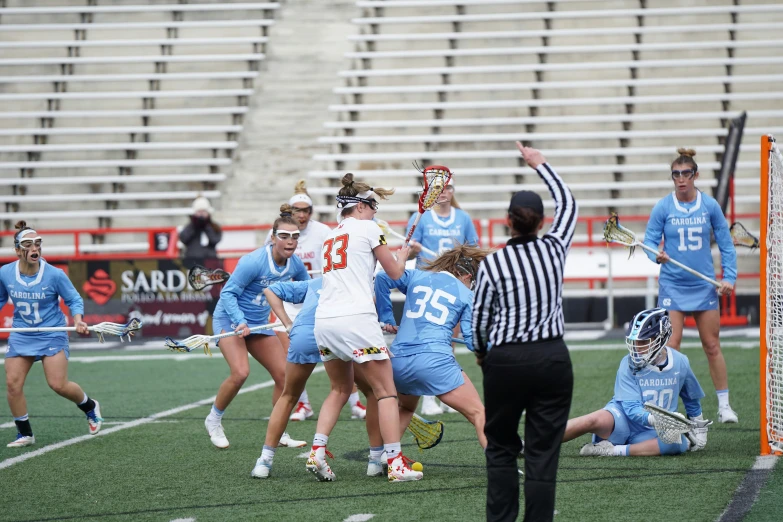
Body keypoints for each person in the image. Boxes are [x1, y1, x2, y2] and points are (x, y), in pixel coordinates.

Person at [473, 143, 577, 522]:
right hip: (551, 357)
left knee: (500, 446)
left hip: (505, 360)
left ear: (509, 221)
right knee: (542, 453)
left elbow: (481, 318)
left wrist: (483, 354)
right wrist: (540, 164)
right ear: (541, 222)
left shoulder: (495, 262)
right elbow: (569, 203)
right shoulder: (554, 248)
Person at [307, 173, 422, 482]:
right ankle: (395, 463)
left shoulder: (331, 235)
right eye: (373, 206)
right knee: (386, 392)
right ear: (358, 206)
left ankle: (317, 451)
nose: (375, 213)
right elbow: (396, 274)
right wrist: (405, 253)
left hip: (325, 320)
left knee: (340, 389)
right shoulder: (368, 228)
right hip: (356, 318)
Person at [643, 148, 738, 423]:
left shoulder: (709, 206)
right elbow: (649, 241)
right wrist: (655, 254)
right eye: (676, 174)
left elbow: (726, 243)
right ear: (672, 178)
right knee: (671, 348)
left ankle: (724, 405)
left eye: (686, 174)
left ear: (696, 175)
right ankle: (672, 408)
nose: (681, 179)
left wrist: (729, 276)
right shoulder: (663, 206)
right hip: (673, 285)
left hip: (703, 286)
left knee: (711, 344)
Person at [204, 205, 309, 450]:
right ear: (273, 238)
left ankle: (279, 430)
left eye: (295, 237)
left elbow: (307, 290)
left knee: (285, 378)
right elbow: (228, 294)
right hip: (231, 319)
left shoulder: (295, 265)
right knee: (241, 372)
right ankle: (214, 419)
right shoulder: (253, 261)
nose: (290, 241)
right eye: (284, 236)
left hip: (261, 323)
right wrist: (240, 321)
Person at [264, 180, 366, 423]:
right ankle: (303, 404)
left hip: (320, 298)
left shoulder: (323, 232)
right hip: (291, 299)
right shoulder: (276, 234)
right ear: (289, 211)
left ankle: (356, 402)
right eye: (297, 210)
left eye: (306, 210)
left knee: (340, 352)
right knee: (294, 357)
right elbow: (270, 263)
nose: (302, 214)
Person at [375, 244, 492, 449]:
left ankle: (387, 458)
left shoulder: (416, 276)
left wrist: (386, 318)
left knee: (405, 407)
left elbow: (383, 278)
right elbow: (474, 342)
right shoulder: (466, 296)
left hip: (398, 362)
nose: (472, 284)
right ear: (464, 274)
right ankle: (501, 467)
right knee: (479, 413)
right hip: (434, 362)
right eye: (473, 279)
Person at [1, 221, 102, 447]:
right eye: (28, 244)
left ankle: (89, 406)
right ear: (18, 250)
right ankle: (25, 433)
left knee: (58, 384)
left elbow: (74, 299)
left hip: (51, 332)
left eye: (37, 243)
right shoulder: (5, 273)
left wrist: (78, 320)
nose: (34, 248)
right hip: (22, 332)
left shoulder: (54, 275)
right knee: (12, 384)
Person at [570, 308, 710, 457]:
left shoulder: (680, 362)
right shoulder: (628, 363)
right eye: (635, 342)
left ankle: (612, 450)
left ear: (660, 338)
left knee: (676, 443)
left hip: (653, 433)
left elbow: (692, 398)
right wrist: (657, 419)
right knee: (593, 420)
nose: (637, 348)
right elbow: (630, 408)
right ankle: (546, 436)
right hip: (622, 420)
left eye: (643, 342)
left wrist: (698, 426)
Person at [405, 179, 479, 415]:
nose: (443, 192)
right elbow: (405, 249)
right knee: (427, 340)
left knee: (448, 339)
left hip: (453, 286)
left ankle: (446, 393)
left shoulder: (463, 218)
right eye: (438, 188)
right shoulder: (421, 218)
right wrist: (413, 249)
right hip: (427, 286)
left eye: (447, 188)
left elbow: (473, 249)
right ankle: (427, 398)